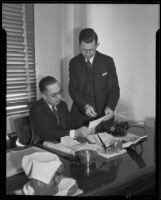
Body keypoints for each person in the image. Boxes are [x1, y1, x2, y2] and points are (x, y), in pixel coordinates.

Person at [68, 28, 120, 132]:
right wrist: (85, 106)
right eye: (83, 49)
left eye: (91, 50)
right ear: (79, 45)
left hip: (103, 120)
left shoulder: (107, 61)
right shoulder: (74, 63)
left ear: (97, 45)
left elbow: (114, 89)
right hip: (80, 120)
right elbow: (72, 89)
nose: (87, 53)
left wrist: (110, 107)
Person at [29, 76, 92, 144]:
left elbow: (69, 124)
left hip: (63, 141)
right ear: (44, 96)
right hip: (45, 144)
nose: (59, 97)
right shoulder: (36, 110)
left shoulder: (62, 105)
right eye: (54, 95)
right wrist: (75, 133)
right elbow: (48, 134)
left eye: (59, 92)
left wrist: (86, 126)